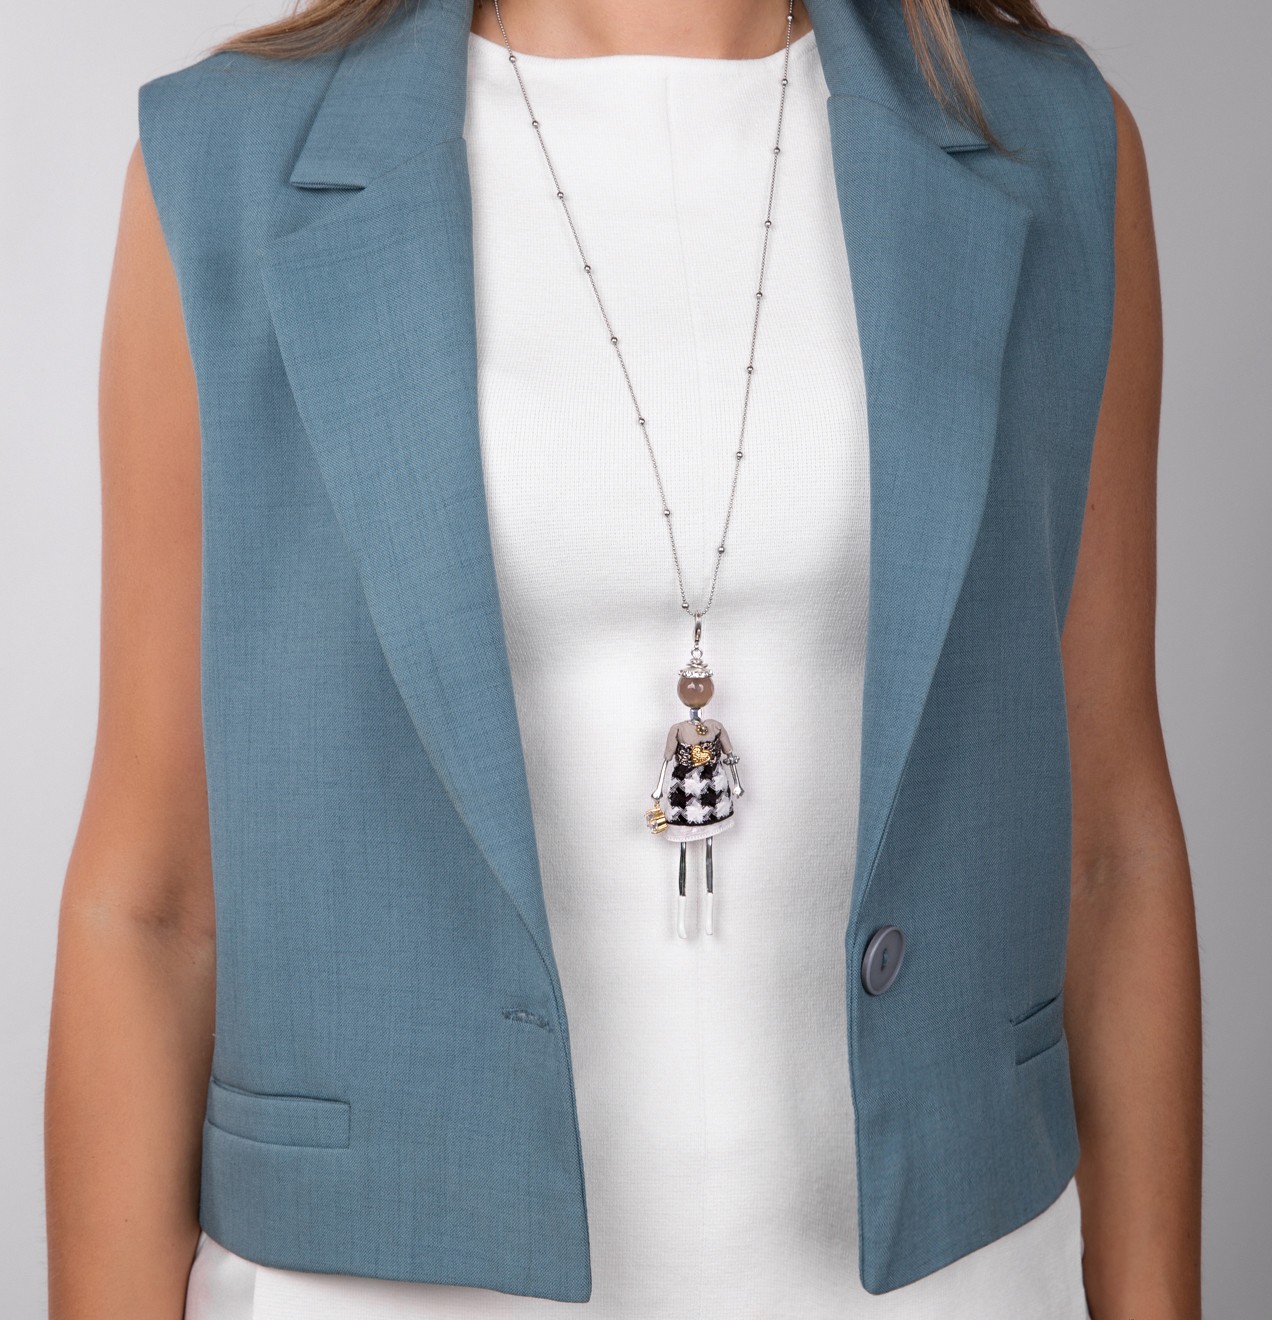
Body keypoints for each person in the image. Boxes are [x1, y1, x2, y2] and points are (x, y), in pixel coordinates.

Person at [44, 0, 1202, 1317]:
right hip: (372, 1287)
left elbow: (1110, 846)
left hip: (952, 1281)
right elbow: (152, 900)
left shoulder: (1048, 142)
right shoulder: (225, 165)